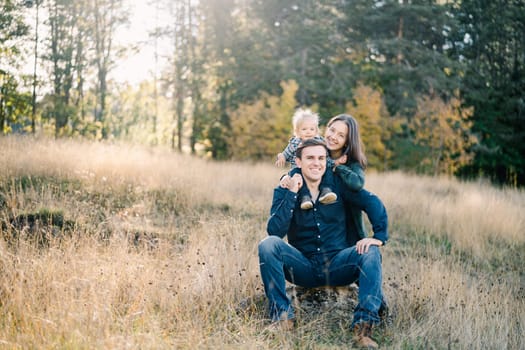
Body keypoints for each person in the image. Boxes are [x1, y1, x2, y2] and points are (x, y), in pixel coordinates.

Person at [258, 138, 388, 349]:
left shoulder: (338, 186)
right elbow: (275, 231)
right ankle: (283, 319)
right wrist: (292, 193)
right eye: (310, 158)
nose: (316, 163)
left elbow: (372, 201)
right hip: (302, 267)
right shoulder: (285, 187)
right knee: (268, 245)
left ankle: (363, 329)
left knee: (370, 251)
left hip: (338, 265)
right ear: (298, 162)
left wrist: (379, 236)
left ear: (326, 161)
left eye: (321, 158)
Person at [275, 108, 337, 209]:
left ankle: (326, 190)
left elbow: (325, 156)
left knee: (328, 171)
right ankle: (305, 198)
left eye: (311, 129)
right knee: (297, 176)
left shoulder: (320, 141)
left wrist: (333, 163)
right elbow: (286, 154)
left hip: (316, 168)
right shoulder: (295, 142)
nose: (308, 132)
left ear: (316, 130)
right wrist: (281, 156)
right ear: (297, 131)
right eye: (304, 129)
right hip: (298, 169)